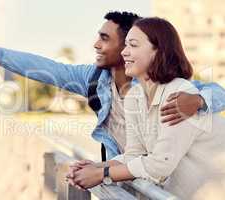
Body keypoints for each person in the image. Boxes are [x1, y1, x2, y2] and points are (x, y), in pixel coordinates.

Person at [0, 11, 225, 161]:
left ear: (129, 45)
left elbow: (217, 92)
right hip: (126, 179)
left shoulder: (161, 81)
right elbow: (45, 69)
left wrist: (198, 102)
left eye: (104, 38)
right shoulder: (94, 79)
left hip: (166, 183)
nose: (95, 44)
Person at [67, 17, 225, 200]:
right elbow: (134, 154)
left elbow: (160, 165)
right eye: (125, 45)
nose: (124, 52)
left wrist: (102, 175)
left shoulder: (179, 93)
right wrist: (96, 167)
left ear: (158, 51)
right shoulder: (134, 96)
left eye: (133, 45)